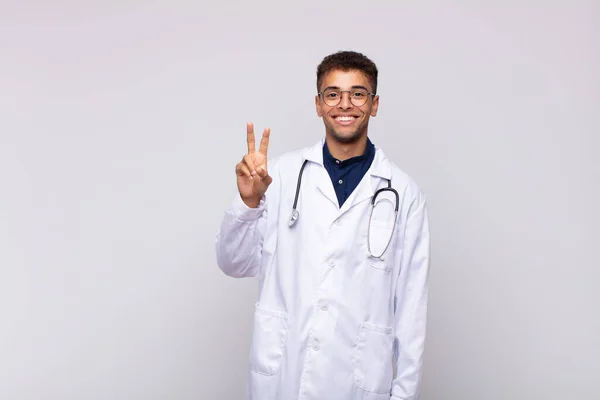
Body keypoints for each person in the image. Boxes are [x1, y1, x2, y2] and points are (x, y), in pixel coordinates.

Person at [215, 50, 430, 400]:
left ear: (374, 105)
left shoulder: (404, 194)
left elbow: (411, 310)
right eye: (333, 94)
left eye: (358, 93)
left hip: (357, 382)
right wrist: (249, 202)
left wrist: (404, 395)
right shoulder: (280, 176)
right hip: (284, 377)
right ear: (318, 104)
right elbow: (233, 263)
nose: (345, 104)